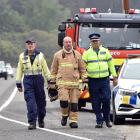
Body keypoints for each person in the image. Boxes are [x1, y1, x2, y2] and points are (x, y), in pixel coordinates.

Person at [50, 36, 87, 128]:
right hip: (62, 82)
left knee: (74, 103)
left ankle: (73, 121)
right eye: (66, 42)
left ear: (72, 43)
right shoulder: (57, 55)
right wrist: (52, 82)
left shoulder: (78, 55)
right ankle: (65, 115)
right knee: (64, 101)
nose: (68, 44)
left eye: (70, 42)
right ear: (63, 43)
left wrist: (85, 81)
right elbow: (53, 70)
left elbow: (83, 69)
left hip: (75, 83)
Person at [82, 33, 118, 128]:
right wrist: (84, 78)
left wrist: (114, 77)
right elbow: (83, 68)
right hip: (93, 81)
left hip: (104, 80)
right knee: (95, 101)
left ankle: (106, 119)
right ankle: (99, 120)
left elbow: (111, 65)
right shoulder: (86, 53)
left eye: (96, 41)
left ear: (99, 41)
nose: (95, 43)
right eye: (93, 41)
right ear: (91, 42)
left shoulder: (105, 51)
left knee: (106, 99)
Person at [16, 37, 50, 130]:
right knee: (30, 103)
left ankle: (41, 119)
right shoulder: (22, 56)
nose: (30, 45)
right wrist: (18, 83)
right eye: (28, 44)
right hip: (28, 81)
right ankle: (32, 122)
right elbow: (19, 70)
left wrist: (50, 81)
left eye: (32, 43)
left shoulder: (40, 55)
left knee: (41, 103)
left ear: (35, 45)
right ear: (26, 45)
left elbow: (46, 69)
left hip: (38, 80)